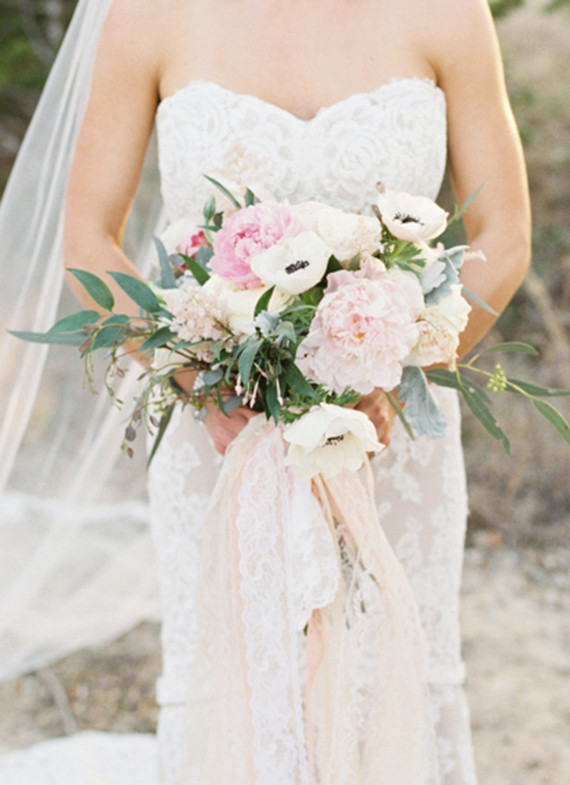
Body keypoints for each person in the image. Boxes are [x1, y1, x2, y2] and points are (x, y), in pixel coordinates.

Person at [0, 0, 531, 783]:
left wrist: (398, 371)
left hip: (393, 433)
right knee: (237, 694)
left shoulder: (448, 10)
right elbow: (89, 234)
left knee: (384, 684)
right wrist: (195, 371)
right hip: (216, 433)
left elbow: (505, 233)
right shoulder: (145, 15)